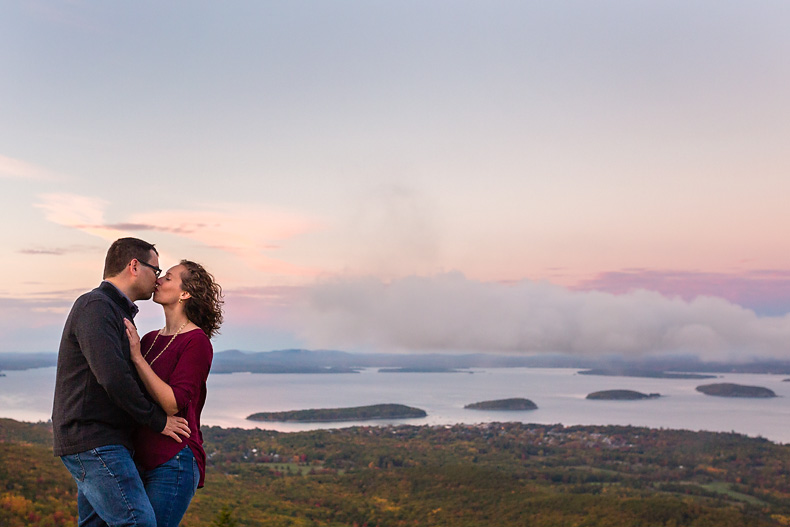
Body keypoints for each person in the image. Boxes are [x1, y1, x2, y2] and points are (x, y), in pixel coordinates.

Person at [53, 237, 191, 527]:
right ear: (134, 266)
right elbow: (114, 378)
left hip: (103, 440)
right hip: (94, 440)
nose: (157, 278)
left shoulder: (115, 310)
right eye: (156, 269)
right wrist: (158, 421)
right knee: (137, 522)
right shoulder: (96, 306)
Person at [124, 259, 223, 527]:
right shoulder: (149, 339)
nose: (158, 280)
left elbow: (173, 403)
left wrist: (137, 358)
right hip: (139, 457)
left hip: (174, 459)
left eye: (168, 277)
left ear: (185, 293)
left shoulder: (196, 341)